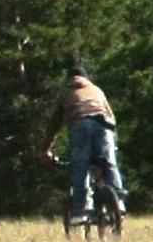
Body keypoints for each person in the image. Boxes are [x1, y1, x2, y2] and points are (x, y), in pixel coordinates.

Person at [44, 64, 126, 221]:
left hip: (81, 125)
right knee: (109, 164)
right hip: (105, 126)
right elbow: (111, 116)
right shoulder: (97, 90)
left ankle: (81, 210)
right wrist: (113, 144)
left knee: (80, 167)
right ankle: (119, 200)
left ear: (69, 79)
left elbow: (55, 123)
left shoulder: (67, 92)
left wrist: (45, 148)